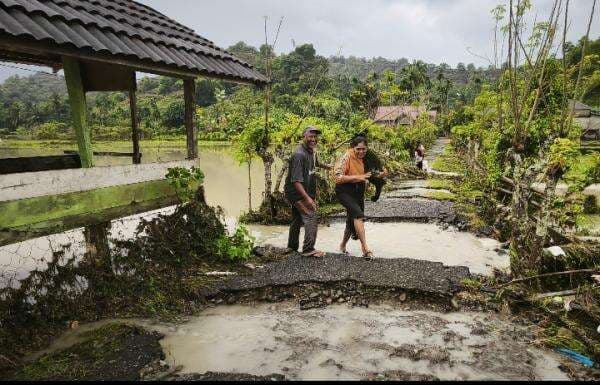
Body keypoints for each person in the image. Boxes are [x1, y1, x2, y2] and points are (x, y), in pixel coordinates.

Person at [334, 135, 384, 259]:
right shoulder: (346, 157)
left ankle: (342, 245)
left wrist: (380, 174)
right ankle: (365, 248)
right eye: (358, 149)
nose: (361, 152)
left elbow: (382, 171)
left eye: (364, 149)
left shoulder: (368, 156)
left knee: (351, 221)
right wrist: (359, 177)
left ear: (367, 148)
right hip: (345, 191)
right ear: (352, 148)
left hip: (359, 191)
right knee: (358, 215)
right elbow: (337, 177)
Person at [284, 126, 331, 257]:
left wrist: (328, 167)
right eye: (310, 136)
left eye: (315, 137)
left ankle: (292, 248)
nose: (313, 139)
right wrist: (307, 199)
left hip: (302, 191)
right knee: (311, 216)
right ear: (304, 136)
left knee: (297, 218)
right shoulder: (299, 155)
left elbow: (315, 163)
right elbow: (296, 180)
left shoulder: (310, 151)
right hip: (296, 192)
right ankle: (308, 249)